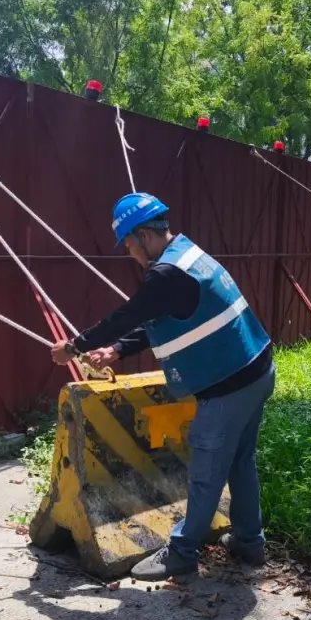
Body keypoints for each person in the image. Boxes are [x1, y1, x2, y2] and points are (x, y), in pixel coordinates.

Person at [51, 192, 275, 581]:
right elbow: (163, 318)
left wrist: (74, 346)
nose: (131, 254)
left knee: (206, 471)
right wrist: (118, 351)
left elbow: (128, 315)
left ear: (142, 236)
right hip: (258, 369)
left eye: (129, 245)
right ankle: (249, 541)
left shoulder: (164, 274)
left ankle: (182, 553)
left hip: (228, 387)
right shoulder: (188, 255)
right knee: (240, 460)